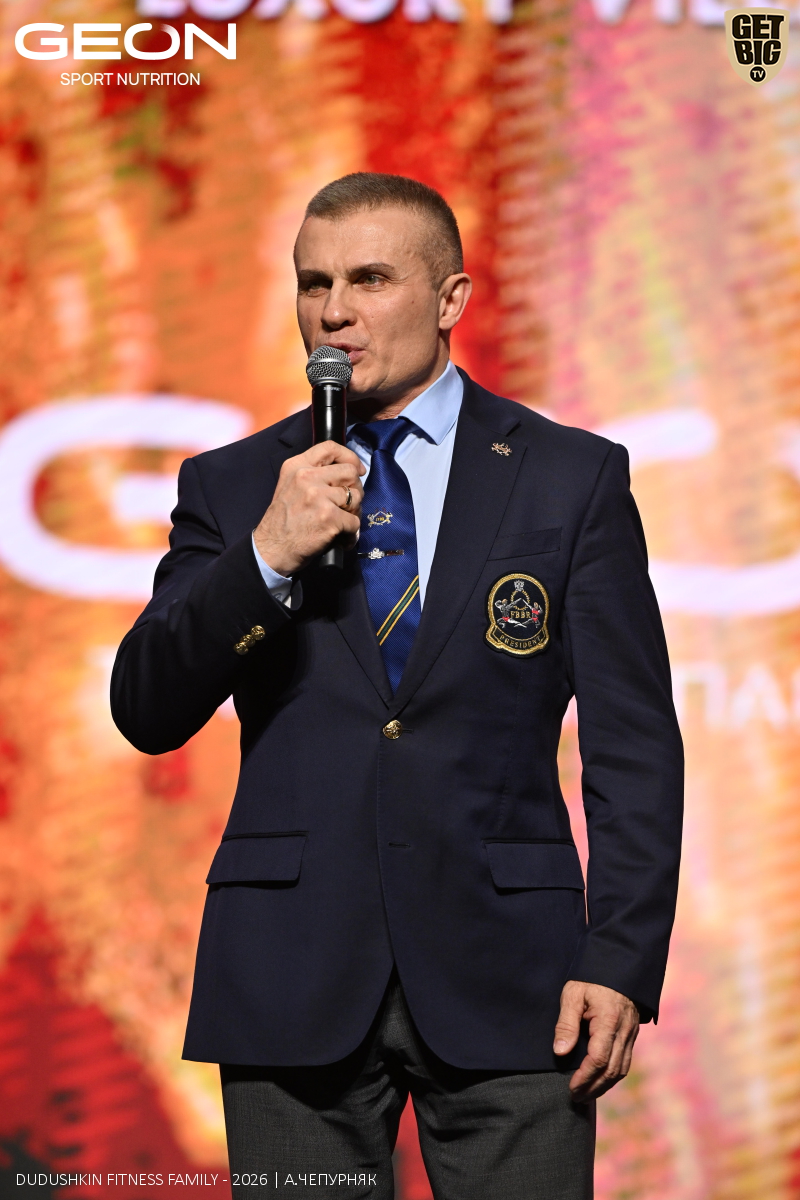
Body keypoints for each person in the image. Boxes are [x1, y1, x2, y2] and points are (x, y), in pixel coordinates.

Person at [111, 173, 683, 1200]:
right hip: (289, 971)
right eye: (314, 283)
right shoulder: (235, 485)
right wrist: (266, 556)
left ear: (451, 297)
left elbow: (633, 745)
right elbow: (146, 708)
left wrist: (622, 956)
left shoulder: (569, 477)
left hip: (515, 975)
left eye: (370, 279)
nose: (334, 312)